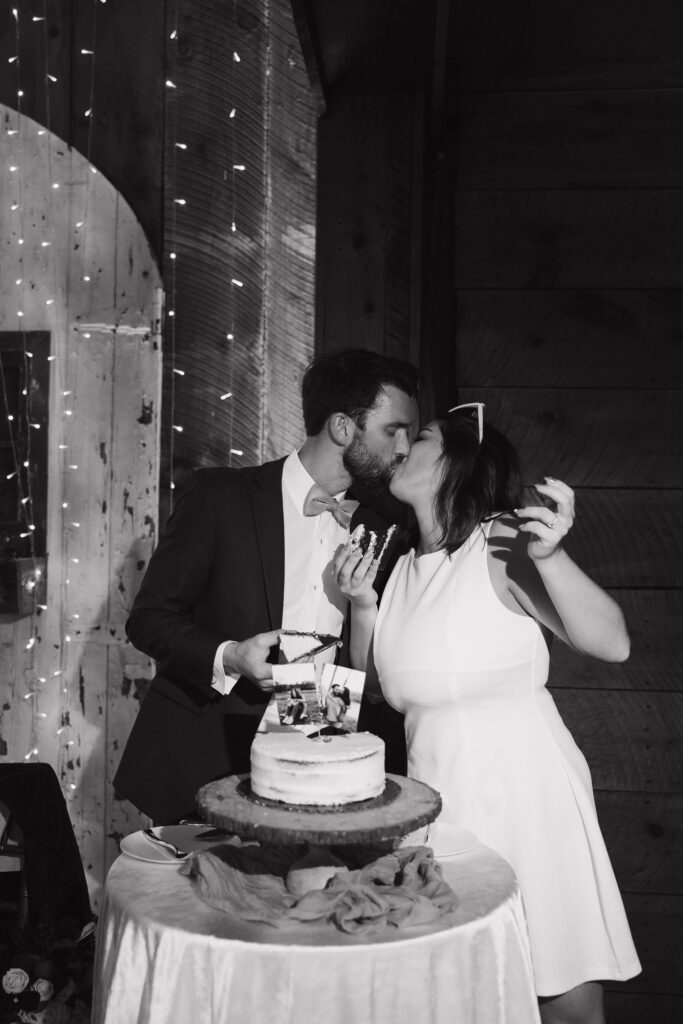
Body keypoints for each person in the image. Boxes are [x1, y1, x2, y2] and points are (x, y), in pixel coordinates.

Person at [335, 404, 641, 1024]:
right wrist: (363, 608)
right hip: (438, 811)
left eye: (418, 437)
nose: (400, 447)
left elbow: (614, 643)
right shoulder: (399, 573)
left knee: (562, 1000)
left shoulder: (500, 541)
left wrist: (551, 556)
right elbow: (372, 697)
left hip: (525, 799)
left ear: (455, 460)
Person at [113, 348, 419, 824]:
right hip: (204, 750)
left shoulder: (383, 530)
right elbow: (148, 619)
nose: (404, 448)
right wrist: (229, 655)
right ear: (342, 428)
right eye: (392, 430)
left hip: (315, 751)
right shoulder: (220, 497)